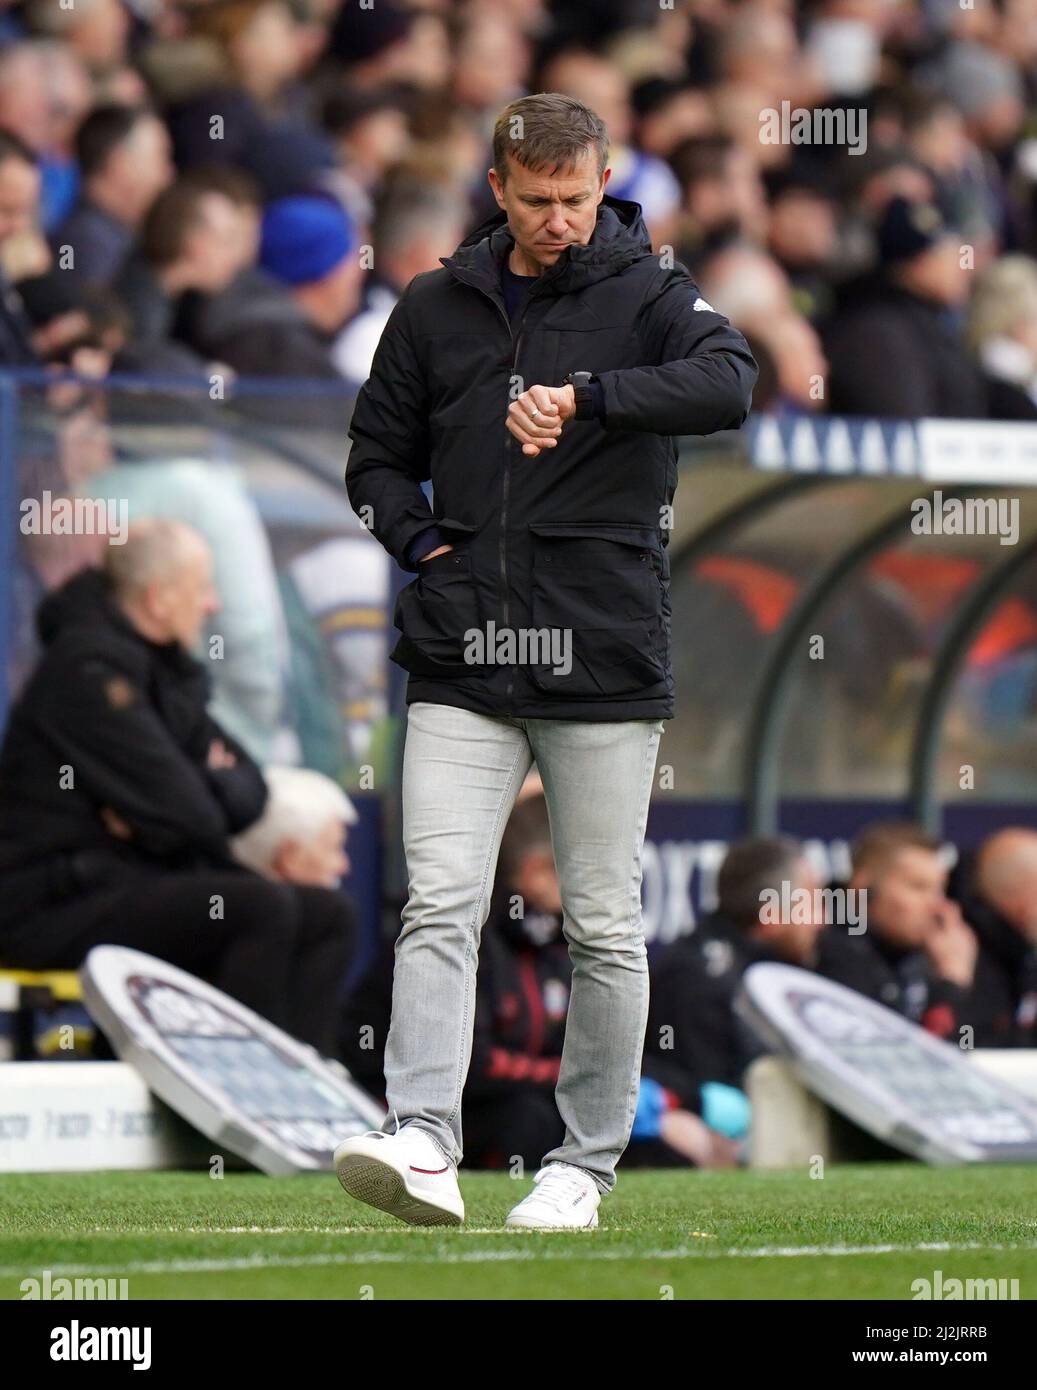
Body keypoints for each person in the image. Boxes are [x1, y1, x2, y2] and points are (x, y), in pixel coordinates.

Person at [336, 91, 756, 1230]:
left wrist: (591, 401)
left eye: (576, 198)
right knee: (438, 902)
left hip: (602, 656)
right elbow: (373, 458)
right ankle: (422, 1136)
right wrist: (422, 543)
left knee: (603, 923)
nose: (559, 219)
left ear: (601, 180)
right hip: (465, 653)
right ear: (497, 188)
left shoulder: (653, 292)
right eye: (537, 200)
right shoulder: (433, 305)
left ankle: (583, 1164)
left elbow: (730, 381)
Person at [0, 519, 355, 1057]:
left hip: (128, 878)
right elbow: (195, 817)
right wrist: (189, 791)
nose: (212, 604)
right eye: (201, 588)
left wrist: (153, 810)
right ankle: (236, 1098)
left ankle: (301, 1096)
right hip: (49, 904)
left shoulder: (167, 671)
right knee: (257, 908)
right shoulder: (88, 671)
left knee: (328, 915)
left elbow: (250, 792)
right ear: (159, 599)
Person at [816, 821, 1015, 1046]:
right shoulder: (835, 957)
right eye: (918, 887)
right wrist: (951, 984)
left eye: (941, 889)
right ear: (863, 889)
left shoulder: (934, 956)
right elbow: (918, 1062)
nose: (937, 905)